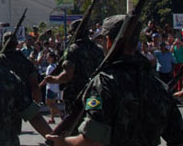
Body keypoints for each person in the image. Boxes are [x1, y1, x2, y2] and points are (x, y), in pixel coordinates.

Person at [46, 14, 183, 146]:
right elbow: (177, 138)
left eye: (103, 41)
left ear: (109, 41)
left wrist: (63, 142)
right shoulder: (156, 84)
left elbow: (93, 141)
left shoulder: (104, 82)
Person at [43, 18, 104, 114]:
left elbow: (68, 75)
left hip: (76, 95)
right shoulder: (98, 49)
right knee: (93, 119)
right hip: (94, 93)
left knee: (75, 124)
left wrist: (53, 79)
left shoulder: (73, 50)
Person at [0, 32, 41, 103]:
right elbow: (35, 86)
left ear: (3, 44)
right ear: (16, 44)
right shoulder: (24, 61)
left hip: (4, 105)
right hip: (23, 104)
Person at [44, 52, 61, 124]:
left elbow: (47, 78)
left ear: (52, 58)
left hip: (50, 87)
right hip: (56, 87)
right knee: (53, 103)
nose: (47, 58)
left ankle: (61, 113)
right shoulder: (55, 66)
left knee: (48, 103)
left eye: (48, 57)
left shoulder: (50, 67)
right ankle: (52, 118)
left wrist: (40, 85)